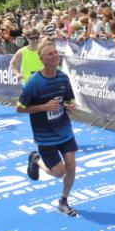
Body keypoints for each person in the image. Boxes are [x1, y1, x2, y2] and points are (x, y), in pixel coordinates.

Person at [20, 41, 80, 217]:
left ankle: (63, 200)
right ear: (41, 59)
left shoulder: (63, 78)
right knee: (59, 172)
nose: (54, 56)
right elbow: (20, 108)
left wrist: (71, 106)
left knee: (71, 164)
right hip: (45, 135)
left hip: (64, 130)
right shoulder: (33, 83)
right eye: (49, 54)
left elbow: (69, 99)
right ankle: (36, 159)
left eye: (55, 53)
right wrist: (43, 107)